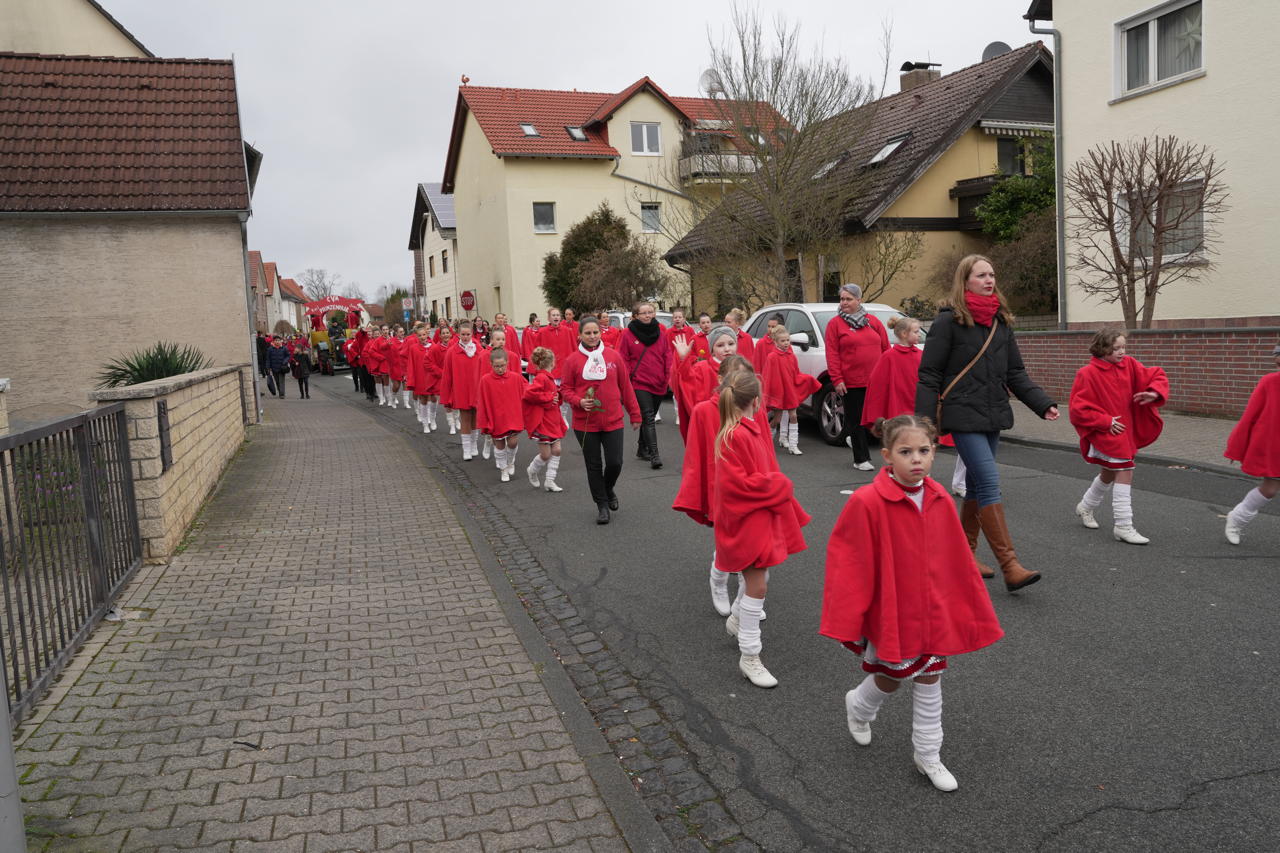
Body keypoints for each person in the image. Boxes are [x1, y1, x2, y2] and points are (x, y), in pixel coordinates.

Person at [820, 414, 1004, 793]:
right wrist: (848, 618)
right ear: (887, 455)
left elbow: (954, 559)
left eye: (924, 450)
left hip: (932, 610)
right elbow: (849, 563)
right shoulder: (867, 501)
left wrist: (964, 604)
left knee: (931, 676)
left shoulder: (937, 496)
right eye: (906, 452)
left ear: (935, 452)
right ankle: (859, 705)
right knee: (892, 677)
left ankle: (928, 753)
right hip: (894, 611)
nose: (916, 459)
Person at [915, 255, 1058, 592]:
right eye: (981, 275)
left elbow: (1015, 373)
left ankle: (964, 555)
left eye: (992, 274)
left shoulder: (1001, 322)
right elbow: (929, 374)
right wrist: (923, 423)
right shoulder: (948, 322)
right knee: (990, 480)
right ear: (965, 281)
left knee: (979, 486)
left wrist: (1042, 403)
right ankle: (1010, 566)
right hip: (962, 414)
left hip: (993, 413)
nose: (989, 280)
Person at [713, 370, 810, 688]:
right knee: (758, 586)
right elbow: (735, 485)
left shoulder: (749, 429)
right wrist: (777, 484)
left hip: (758, 518)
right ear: (756, 401)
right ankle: (749, 655)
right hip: (745, 523)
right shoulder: (735, 435)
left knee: (761, 578)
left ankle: (738, 620)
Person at [673, 355, 761, 620]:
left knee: (752, 541)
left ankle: (747, 600)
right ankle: (718, 579)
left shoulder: (753, 407)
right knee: (727, 537)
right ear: (720, 380)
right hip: (720, 486)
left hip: (752, 485)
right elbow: (696, 454)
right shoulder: (703, 410)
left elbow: (763, 446)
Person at [1069, 330, 1169, 545]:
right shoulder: (1087, 373)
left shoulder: (1130, 364)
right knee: (1125, 469)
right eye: (1116, 348)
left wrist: (1153, 392)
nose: (1122, 352)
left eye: (1123, 347)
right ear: (1103, 348)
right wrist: (1105, 422)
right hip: (1108, 431)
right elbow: (1077, 410)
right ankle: (1123, 525)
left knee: (1108, 473)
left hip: (1126, 430)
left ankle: (1085, 507)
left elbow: (1156, 375)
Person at [862, 317, 969, 502]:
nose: (919, 334)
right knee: (901, 447)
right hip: (899, 410)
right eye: (916, 331)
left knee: (921, 446)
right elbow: (877, 387)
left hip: (918, 409)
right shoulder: (888, 356)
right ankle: (897, 481)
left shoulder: (920, 355)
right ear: (904, 334)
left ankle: (922, 481)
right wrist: (881, 413)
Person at [560, 316, 642, 524]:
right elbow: (565, 389)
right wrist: (578, 401)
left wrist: (635, 413)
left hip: (613, 419)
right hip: (586, 423)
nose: (592, 336)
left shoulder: (613, 356)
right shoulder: (572, 361)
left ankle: (607, 489)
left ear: (600, 333)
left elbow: (626, 387)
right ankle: (602, 505)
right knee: (594, 465)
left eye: (595, 332)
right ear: (579, 335)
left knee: (615, 462)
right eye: (587, 333)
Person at [825, 284, 890, 471]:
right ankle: (861, 459)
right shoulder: (835, 324)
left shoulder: (873, 322)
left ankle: (853, 439)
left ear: (859, 300)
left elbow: (886, 349)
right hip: (851, 382)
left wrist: (887, 374)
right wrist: (837, 379)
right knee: (856, 420)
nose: (844, 302)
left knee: (877, 419)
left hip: (875, 380)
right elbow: (832, 354)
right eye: (842, 299)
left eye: (849, 299)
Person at [1222, 343, 1280, 545]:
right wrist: (1235, 446)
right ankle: (1236, 519)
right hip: (1274, 444)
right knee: (1270, 489)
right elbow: (1250, 416)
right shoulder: (1269, 382)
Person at [619, 301, 673, 470]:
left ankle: (642, 448)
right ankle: (654, 455)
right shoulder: (627, 334)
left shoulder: (660, 332)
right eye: (644, 313)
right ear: (635, 316)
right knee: (649, 417)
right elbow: (623, 358)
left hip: (658, 381)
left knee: (646, 417)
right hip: (639, 383)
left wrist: (666, 376)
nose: (648, 315)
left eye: (650, 312)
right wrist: (628, 378)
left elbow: (667, 354)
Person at [673, 326, 739, 443]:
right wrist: (683, 359)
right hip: (712, 425)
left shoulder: (742, 368)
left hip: (737, 425)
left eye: (731, 343)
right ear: (712, 349)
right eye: (720, 345)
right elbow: (687, 383)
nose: (727, 349)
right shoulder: (702, 368)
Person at [762, 326, 821, 455]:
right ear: (776, 342)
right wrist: (769, 395)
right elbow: (768, 377)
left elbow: (796, 374)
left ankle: (793, 445)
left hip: (790, 391)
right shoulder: (772, 357)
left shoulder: (791, 356)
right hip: (778, 392)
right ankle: (767, 442)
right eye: (782, 341)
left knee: (793, 415)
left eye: (787, 340)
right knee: (776, 419)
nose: (786, 343)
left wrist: (806, 380)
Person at [439, 321, 488, 460]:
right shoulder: (452, 352)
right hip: (461, 390)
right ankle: (466, 449)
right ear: (458, 334)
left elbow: (485, 371)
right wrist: (446, 394)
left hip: (476, 389)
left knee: (475, 419)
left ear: (472, 334)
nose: (465, 337)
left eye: (468, 334)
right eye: (463, 334)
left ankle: (473, 446)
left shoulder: (479, 350)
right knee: (465, 418)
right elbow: (447, 375)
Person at [476, 348, 527, 482]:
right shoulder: (485, 380)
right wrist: (485, 419)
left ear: (507, 363)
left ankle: (510, 462)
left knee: (513, 442)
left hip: (512, 416)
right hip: (496, 417)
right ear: (491, 364)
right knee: (499, 444)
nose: (500, 369)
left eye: (502, 365)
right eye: (497, 366)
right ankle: (503, 469)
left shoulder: (516, 377)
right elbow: (482, 401)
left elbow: (527, 392)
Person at [523, 347, 567, 492]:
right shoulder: (541, 377)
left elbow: (551, 394)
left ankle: (550, 480)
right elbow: (529, 393)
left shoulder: (548, 376)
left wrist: (557, 394)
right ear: (552, 362)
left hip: (553, 418)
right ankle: (532, 470)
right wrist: (548, 397)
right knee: (546, 454)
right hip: (544, 421)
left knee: (557, 450)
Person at [665, 308, 698, 428]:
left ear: (684, 319)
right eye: (675, 317)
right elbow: (667, 350)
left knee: (688, 388)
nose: (677, 319)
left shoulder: (690, 330)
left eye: (680, 317)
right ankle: (678, 413)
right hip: (674, 365)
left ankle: (688, 410)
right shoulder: (668, 332)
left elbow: (694, 346)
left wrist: (694, 359)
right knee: (676, 390)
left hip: (687, 363)